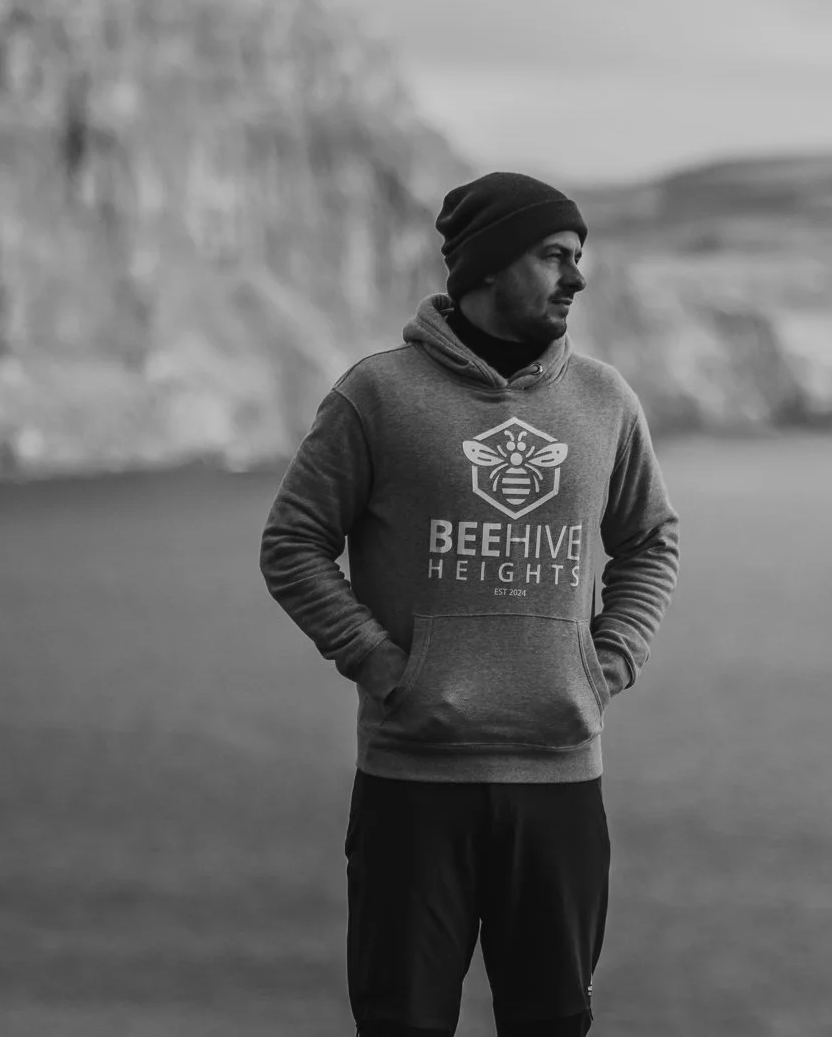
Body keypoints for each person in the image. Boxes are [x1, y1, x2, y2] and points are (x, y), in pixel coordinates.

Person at [262, 171, 680, 1037]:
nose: (576, 277)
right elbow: (293, 542)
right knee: (402, 1023)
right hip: (413, 784)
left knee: (553, 1021)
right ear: (489, 265)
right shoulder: (377, 396)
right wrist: (381, 662)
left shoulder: (604, 401)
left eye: (579, 257)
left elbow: (650, 540)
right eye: (555, 255)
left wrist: (608, 662)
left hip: (559, 778)